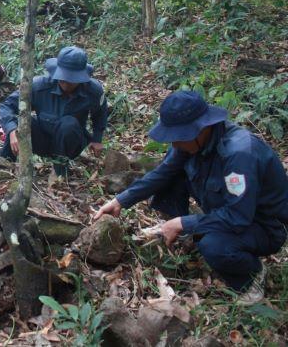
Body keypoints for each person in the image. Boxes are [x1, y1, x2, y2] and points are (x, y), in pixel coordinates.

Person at [93, 90, 288, 304]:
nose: (174, 143)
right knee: (172, 178)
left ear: (201, 128)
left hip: (262, 225)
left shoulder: (238, 154)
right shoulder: (190, 144)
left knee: (214, 246)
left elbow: (238, 215)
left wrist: (183, 223)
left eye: (178, 136)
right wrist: (120, 200)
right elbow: (162, 173)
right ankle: (187, 236)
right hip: (229, 211)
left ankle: (251, 274)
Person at [0, 45, 108, 177]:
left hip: (71, 143)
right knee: (23, 123)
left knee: (68, 124)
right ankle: (0, 166)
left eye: (72, 80)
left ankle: (60, 172)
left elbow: (100, 113)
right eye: (63, 79)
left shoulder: (93, 90)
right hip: (43, 139)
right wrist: (11, 130)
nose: (66, 84)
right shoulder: (38, 86)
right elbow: (7, 106)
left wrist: (97, 139)